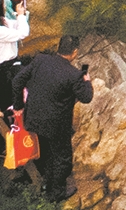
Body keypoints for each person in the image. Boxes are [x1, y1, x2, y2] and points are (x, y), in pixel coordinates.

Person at [22, 42, 94, 200]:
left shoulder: (41, 60)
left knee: (44, 151)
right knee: (62, 157)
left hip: (34, 116)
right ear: (74, 52)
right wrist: (86, 81)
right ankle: (56, 192)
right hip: (56, 123)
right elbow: (86, 97)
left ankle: (44, 181)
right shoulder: (73, 73)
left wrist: (19, 105)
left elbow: (20, 79)